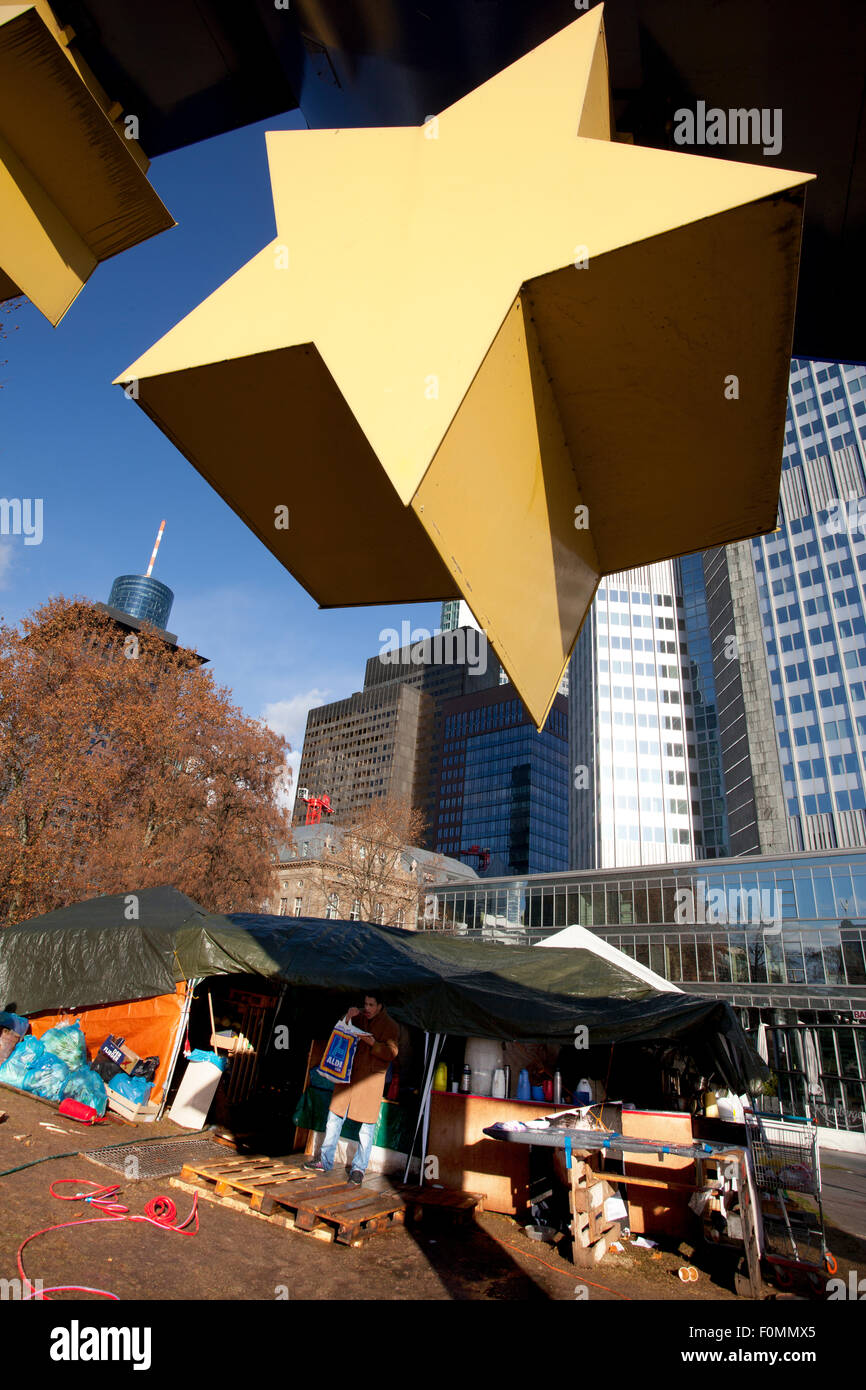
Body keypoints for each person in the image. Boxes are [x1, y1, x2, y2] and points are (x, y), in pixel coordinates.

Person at [305, 992, 399, 1184]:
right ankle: (325, 1159)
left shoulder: (391, 1026)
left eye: (372, 1005)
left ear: (380, 1006)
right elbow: (339, 1030)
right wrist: (348, 1017)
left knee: (366, 1128)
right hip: (347, 1077)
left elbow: (392, 1052)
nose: (368, 1008)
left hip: (370, 1082)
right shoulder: (358, 1017)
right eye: (366, 1004)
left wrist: (372, 1043)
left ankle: (359, 1169)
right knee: (334, 1117)